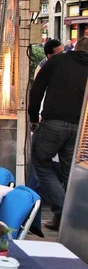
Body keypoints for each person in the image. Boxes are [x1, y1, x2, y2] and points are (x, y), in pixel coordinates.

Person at [28, 37, 88, 231]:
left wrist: (33, 117)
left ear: (76, 47)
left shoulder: (57, 61)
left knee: (41, 162)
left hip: (53, 122)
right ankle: (63, 217)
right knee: (69, 173)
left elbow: (37, 89)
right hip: (79, 127)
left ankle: (64, 213)